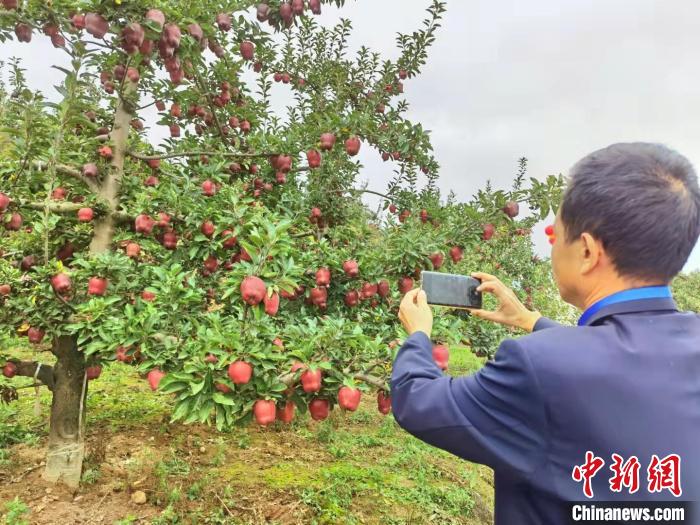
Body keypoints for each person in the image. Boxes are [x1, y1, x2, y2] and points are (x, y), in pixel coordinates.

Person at [391, 143, 700, 525]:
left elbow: (420, 402)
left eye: (555, 234)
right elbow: (623, 360)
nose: (552, 247)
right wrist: (529, 320)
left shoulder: (538, 366)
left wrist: (418, 336)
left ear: (586, 251)